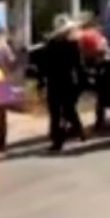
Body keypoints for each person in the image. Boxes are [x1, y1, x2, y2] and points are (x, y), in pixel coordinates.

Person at [41, 15, 86, 151]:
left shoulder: (62, 45)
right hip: (63, 81)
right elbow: (78, 65)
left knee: (64, 110)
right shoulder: (65, 45)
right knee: (62, 111)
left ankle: (63, 137)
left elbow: (77, 65)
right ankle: (64, 136)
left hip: (60, 81)